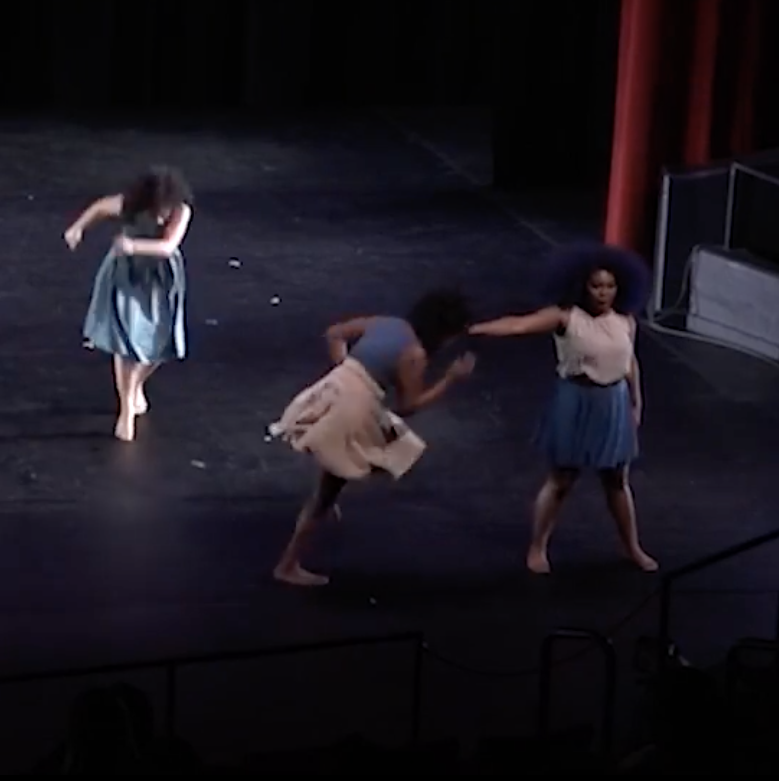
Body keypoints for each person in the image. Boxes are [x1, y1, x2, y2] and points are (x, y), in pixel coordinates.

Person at [469, 243, 657, 574]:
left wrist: (636, 400)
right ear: (581, 285)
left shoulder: (626, 321)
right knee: (561, 480)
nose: (603, 293)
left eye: (609, 286)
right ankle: (537, 547)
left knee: (616, 480)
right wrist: (474, 329)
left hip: (612, 403)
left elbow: (630, 363)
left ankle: (632, 547)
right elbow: (518, 325)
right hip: (576, 401)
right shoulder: (566, 317)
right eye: (596, 286)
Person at [270, 290, 476, 586]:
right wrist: (450, 380)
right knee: (330, 490)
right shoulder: (415, 354)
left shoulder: (388, 323)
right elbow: (408, 405)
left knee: (358, 451)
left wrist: (346, 368)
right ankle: (288, 564)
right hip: (352, 408)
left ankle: (325, 494)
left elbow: (334, 334)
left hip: (333, 388)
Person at [64, 167, 193, 441]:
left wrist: (134, 246)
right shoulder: (131, 204)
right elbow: (99, 208)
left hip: (159, 277)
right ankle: (125, 407)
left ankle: (136, 385)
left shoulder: (181, 211)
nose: (160, 215)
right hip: (127, 276)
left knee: (162, 340)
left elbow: (168, 246)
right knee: (125, 341)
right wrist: (78, 228)